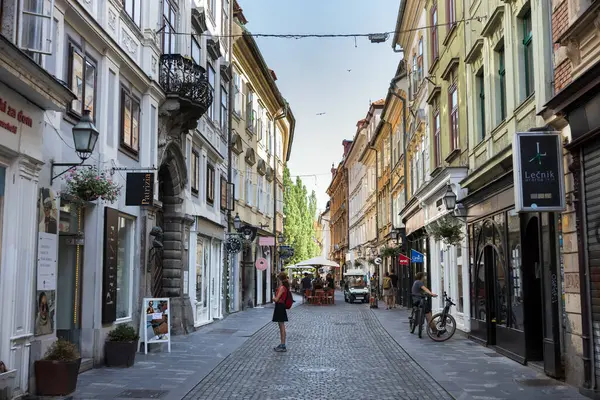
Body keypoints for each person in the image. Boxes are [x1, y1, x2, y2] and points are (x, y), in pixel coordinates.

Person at [272, 272, 290, 352]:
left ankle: (283, 345)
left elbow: (276, 299)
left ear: (280, 279)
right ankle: (282, 344)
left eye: (278, 279)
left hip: (280, 307)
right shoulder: (284, 287)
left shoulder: (282, 288)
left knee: (281, 327)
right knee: (281, 326)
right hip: (280, 306)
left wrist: (273, 297)